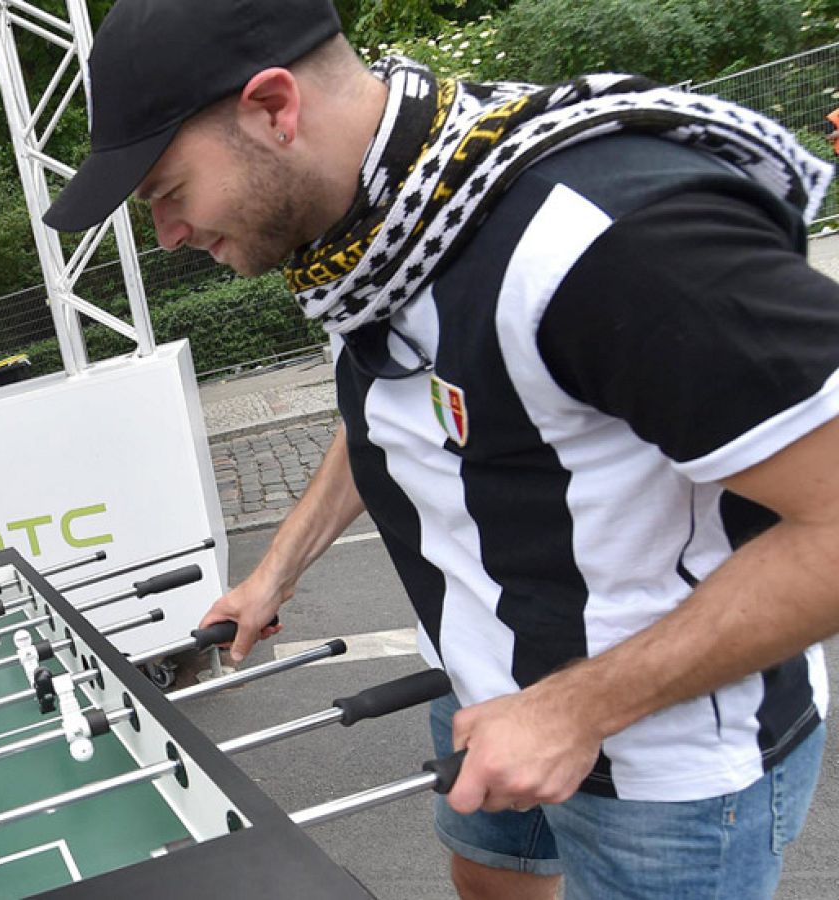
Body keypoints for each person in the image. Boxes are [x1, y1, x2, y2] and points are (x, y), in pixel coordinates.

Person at [45, 2, 836, 898]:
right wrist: (277, 571)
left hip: (663, 760)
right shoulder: (375, 234)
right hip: (482, 692)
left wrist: (575, 707)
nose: (170, 236)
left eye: (168, 191)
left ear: (274, 108)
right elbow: (397, 409)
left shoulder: (605, 238)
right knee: (490, 883)